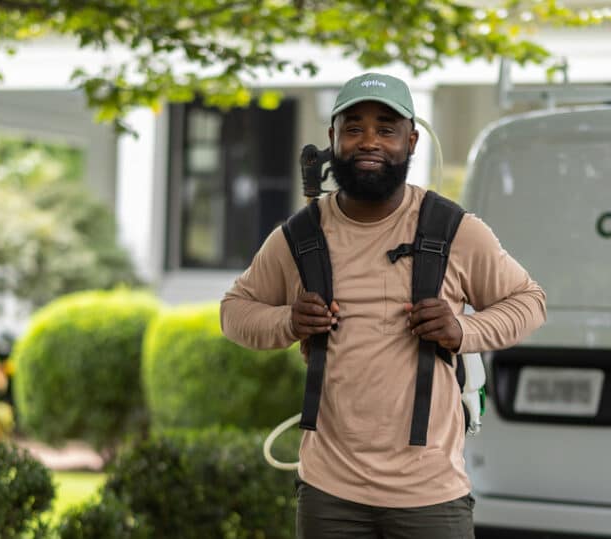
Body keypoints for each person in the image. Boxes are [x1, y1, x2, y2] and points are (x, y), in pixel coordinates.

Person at [220, 72, 546, 539]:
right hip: (329, 495)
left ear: (411, 141)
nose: (369, 141)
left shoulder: (455, 230)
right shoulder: (298, 237)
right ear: (332, 140)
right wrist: (286, 321)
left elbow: (530, 302)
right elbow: (234, 311)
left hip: (430, 496)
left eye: (386, 129)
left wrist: (462, 330)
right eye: (353, 129)